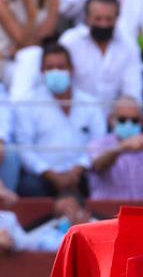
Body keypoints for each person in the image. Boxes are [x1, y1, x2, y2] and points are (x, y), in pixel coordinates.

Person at [14, 44, 106, 196]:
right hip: (43, 176)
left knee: (101, 180)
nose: (56, 72)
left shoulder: (90, 103)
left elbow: (98, 143)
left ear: (71, 69)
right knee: (29, 186)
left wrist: (78, 169)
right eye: (50, 68)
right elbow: (24, 147)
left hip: (82, 174)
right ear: (41, 72)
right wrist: (50, 174)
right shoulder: (28, 103)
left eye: (61, 67)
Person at [59, 0, 143, 104]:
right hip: (77, 115)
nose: (103, 25)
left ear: (117, 18)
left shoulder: (128, 44)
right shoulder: (70, 41)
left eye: (109, 19)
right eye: (98, 19)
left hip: (114, 116)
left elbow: (133, 89)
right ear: (87, 18)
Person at [88, 96, 143, 200]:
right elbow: (98, 166)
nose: (128, 124)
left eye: (134, 120)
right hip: (107, 212)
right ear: (111, 119)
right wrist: (121, 148)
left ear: (142, 121)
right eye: (122, 119)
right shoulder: (98, 144)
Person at [0, 0, 58, 87]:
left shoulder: (53, 0)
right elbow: (21, 39)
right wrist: (31, 11)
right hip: (7, 61)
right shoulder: (3, 0)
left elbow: (38, 41)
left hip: (37, 58)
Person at [25, 190, 97, 252]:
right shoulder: (48, 231)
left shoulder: (99, 227)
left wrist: (81, 230)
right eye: (60, 215)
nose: (64, 219)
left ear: (84, 212)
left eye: (68, 213)